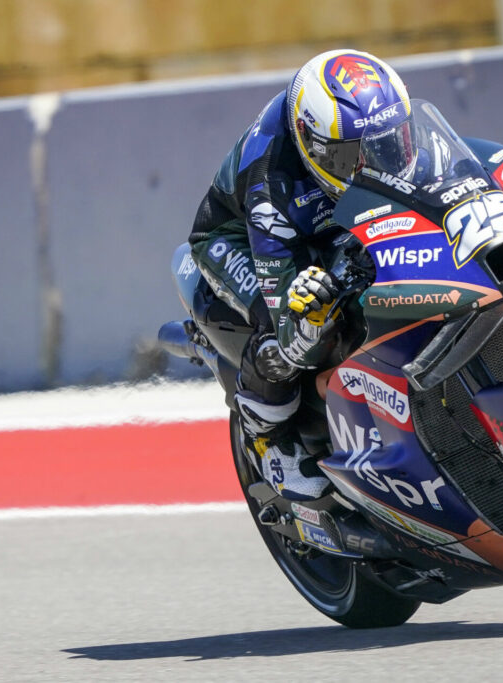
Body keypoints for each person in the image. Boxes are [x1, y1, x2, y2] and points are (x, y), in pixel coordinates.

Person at [187, 49, 412, 501]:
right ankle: (270, 442)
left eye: (389, 145)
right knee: (288, 331)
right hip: (236, 240)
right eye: (353, 159)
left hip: (324, 222)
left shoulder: (356, 130)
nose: (374, 167)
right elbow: (296, 335)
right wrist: (305, 312)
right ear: (312, 144)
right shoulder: (270, 187)